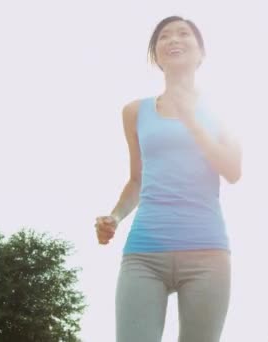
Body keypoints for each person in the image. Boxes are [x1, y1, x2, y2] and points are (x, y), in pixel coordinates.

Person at [94, 15, 241, 342]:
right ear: (155, 55)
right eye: (164, 37)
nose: (173, 40)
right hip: (145, 252)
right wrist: (115, 217)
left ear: (201, 53)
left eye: (184, 34)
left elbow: (233, 170)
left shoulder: (224, 109)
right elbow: (137, 180)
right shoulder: (134, 112)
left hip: (206, 252)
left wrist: (192, 120)